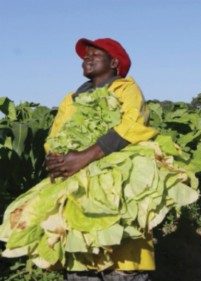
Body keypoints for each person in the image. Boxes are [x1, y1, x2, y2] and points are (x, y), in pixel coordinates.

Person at [44, 38, 157, 281]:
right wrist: (54, 159)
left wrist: (85, 156)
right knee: (80, 261)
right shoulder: (71, 98)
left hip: (117, 187)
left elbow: (132, 126)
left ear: (114, 63)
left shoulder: (126, 89)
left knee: (122, 260)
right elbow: (55, 134)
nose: (87, 57)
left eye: (96, 54)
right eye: (86, 54)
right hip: (76, 190)